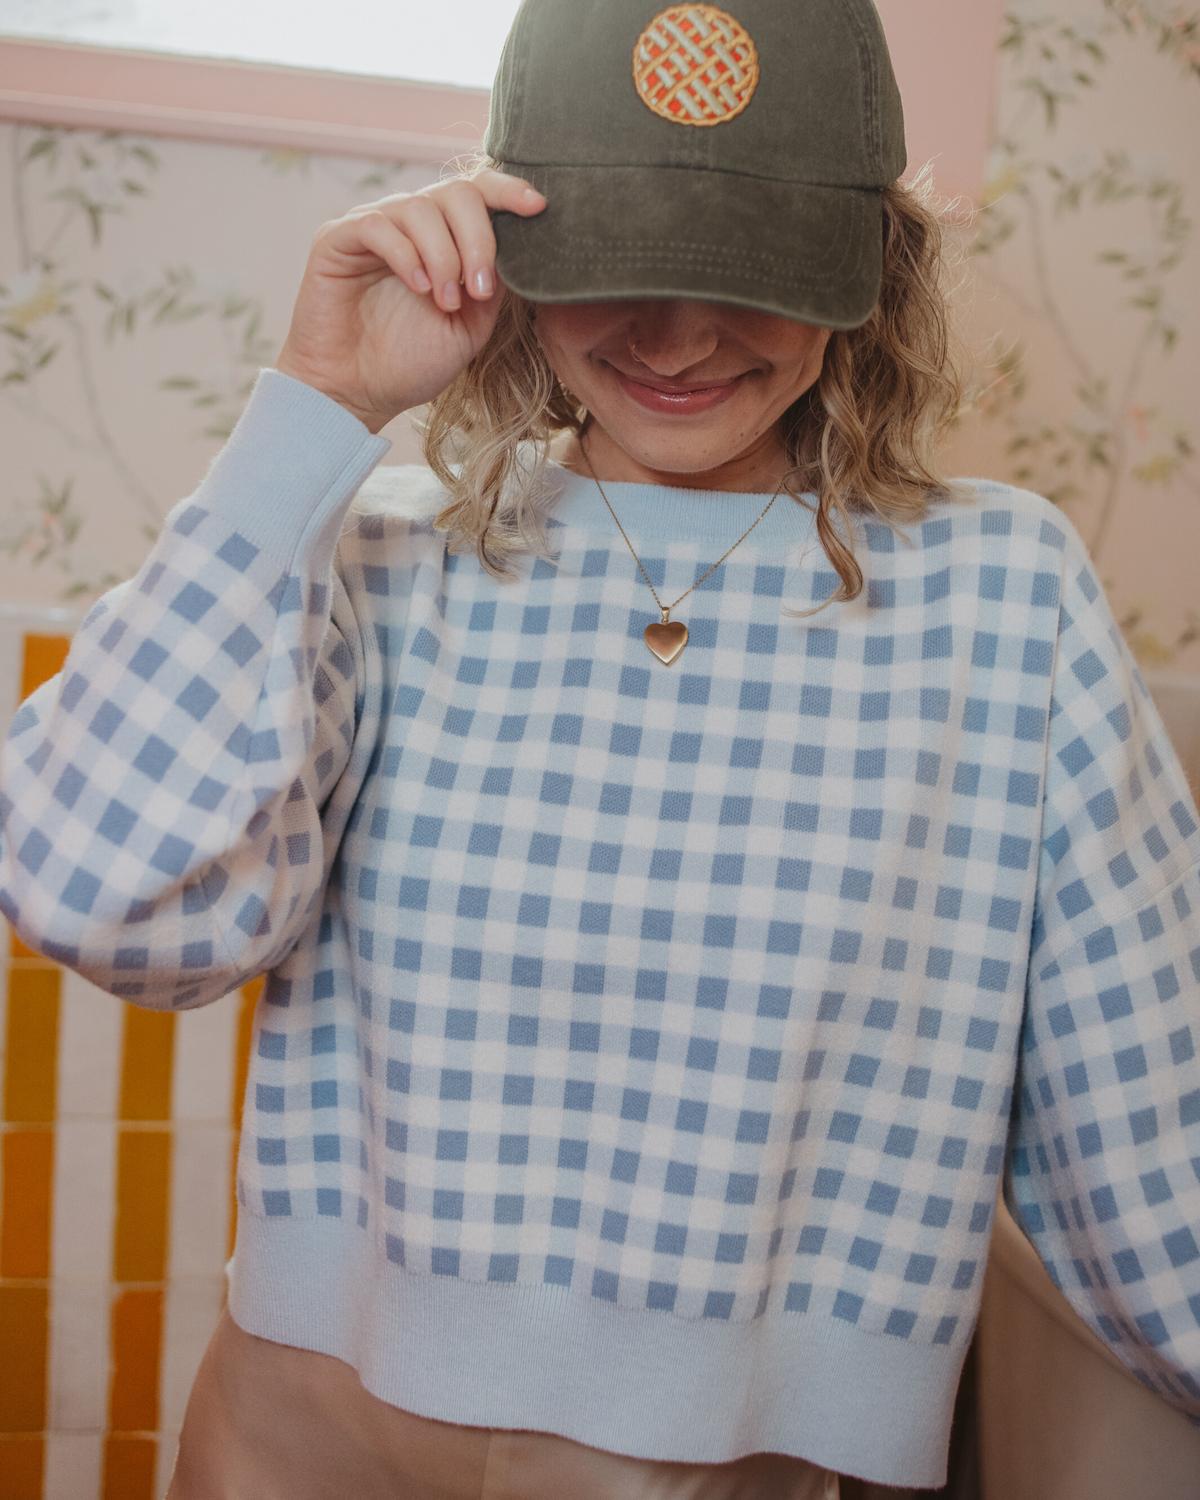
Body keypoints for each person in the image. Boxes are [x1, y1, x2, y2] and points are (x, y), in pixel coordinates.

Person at [1, 1, 1198, 1496]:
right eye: (621, 266)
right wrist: (315, 411)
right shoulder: (380, 556)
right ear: (504, 250)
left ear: (871, 273)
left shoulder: (1005, 595)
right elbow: (97, 896)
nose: (680, 338)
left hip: (731, 1460)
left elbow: (1154, 1148)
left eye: (746, 273)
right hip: (300, 1437)